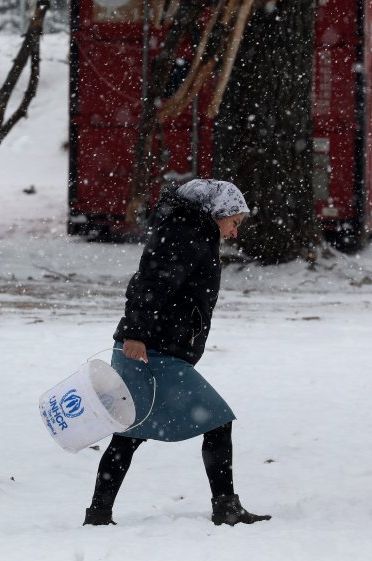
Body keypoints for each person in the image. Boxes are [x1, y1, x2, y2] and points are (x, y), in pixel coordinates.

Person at [83, 179, 271, 527]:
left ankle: (98, 515)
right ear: (219, 212)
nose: (234, 231)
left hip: (156, 349)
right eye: (235, 221)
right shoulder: (188, 233)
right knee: (216, 420)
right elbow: (150, 283)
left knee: (130, 433)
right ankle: (226, 507)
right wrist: (136, 333)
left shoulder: (190, 231)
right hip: (151, 352)